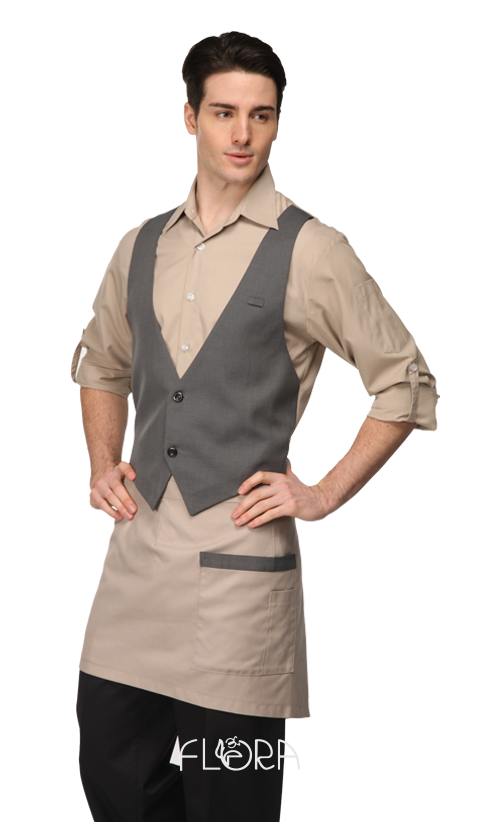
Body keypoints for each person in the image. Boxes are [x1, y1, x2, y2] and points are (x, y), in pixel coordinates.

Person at [72, 31, 438, 822]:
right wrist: (103, 461)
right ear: (190, 117)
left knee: (230, 798)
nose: (242, 134)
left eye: (261, 115)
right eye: (224, 113)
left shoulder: (312, 249)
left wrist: (325, 491)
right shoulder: (141, 247)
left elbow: (403, 382)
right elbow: (101, 362)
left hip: (240, 577)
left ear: (276, 123)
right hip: (139, 563)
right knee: (110, 770)